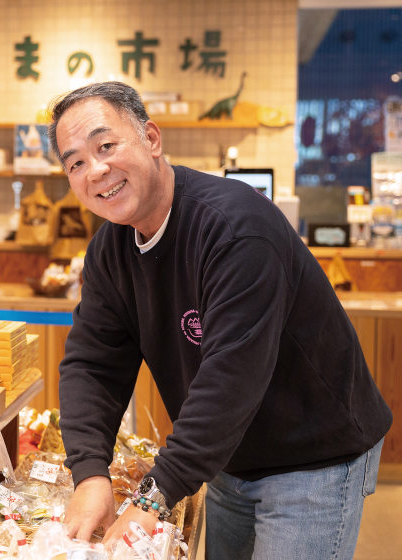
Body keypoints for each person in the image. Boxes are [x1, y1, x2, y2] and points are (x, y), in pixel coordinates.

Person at [48, 81, 392, 559]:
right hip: (229, 454)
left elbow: (231, 379)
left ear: (151, 139)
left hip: (313, 455)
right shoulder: (110, 251)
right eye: (76, 163)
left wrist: (152, 498)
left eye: (106, 146)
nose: (96, 170)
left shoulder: (235, 228)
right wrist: (89, 474)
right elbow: (93, 365)